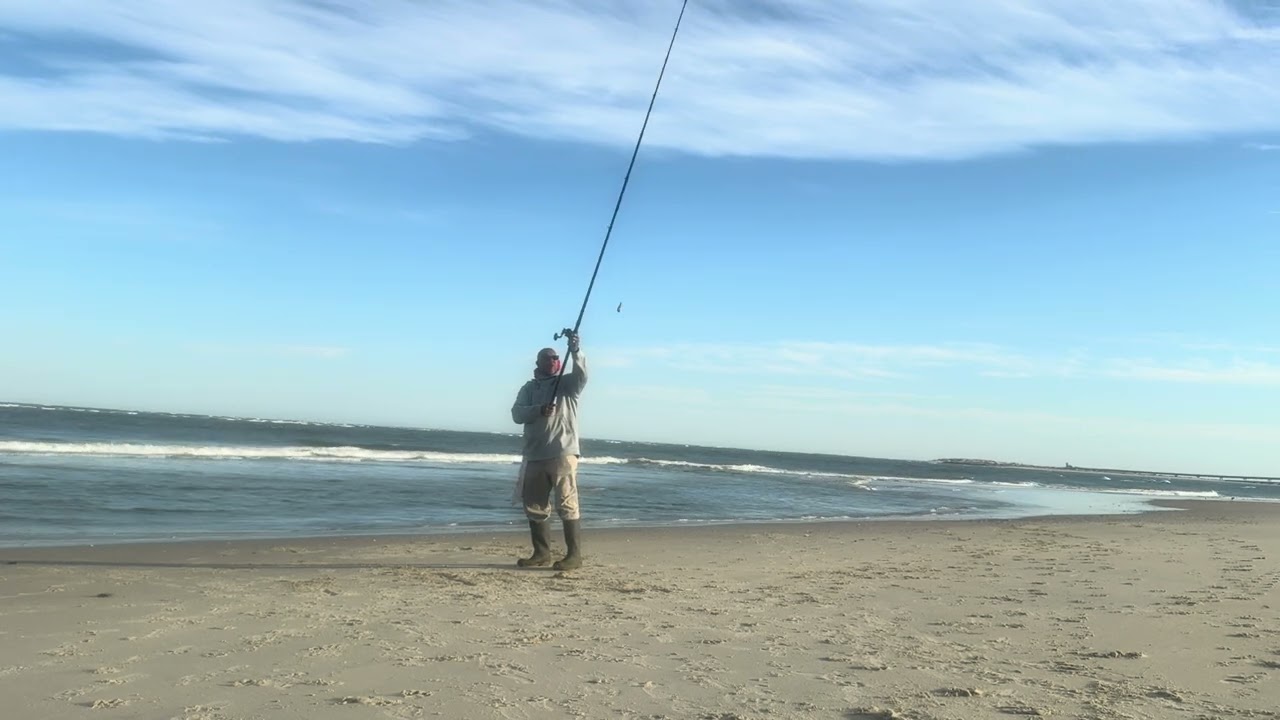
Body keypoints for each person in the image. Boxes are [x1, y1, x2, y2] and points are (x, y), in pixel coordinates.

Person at [510, 331, 588, 570]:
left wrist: (575, 350)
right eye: (548, 358)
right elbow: (516, 414)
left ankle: (574, 556)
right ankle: (541, 553)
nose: (553, 361)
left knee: (567, 501)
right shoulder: (528, 388)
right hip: (534, 455)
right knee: (534, 504)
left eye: (556, 357)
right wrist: (538, 410)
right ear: (538, 363)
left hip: (563, 452)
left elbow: (582, 375)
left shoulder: (566, 384)